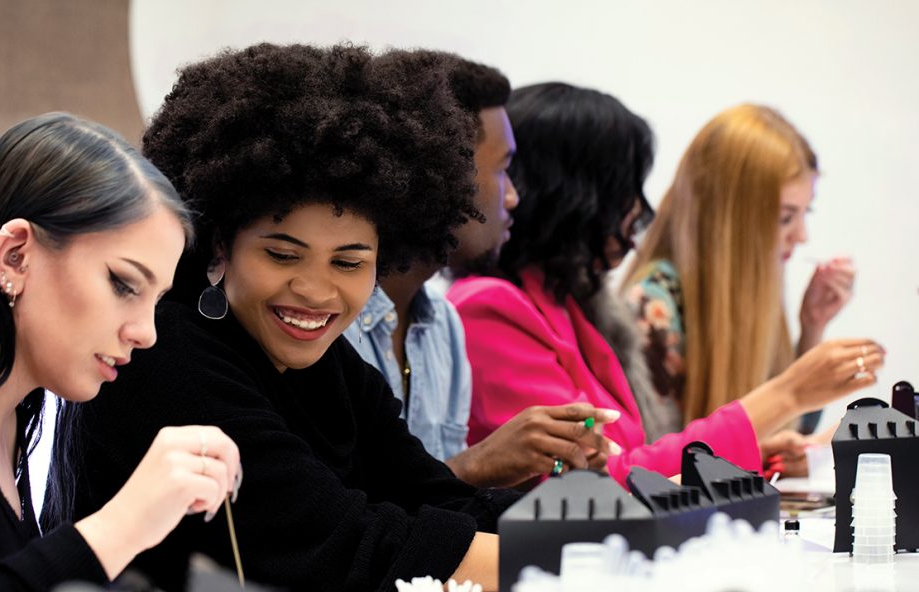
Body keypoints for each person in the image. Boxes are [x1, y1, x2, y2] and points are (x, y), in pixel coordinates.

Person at [64, 44, 524, 592]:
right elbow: (336, 546)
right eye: (283, 256)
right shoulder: (163, 354)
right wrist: (548, 560)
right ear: (219, 241)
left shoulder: (325, 364)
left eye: (349, 263)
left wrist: (598, 530)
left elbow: (433, 494)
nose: (314, 291)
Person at [447, 83, 884, 485]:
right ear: (573, 196)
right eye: (624, 190)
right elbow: (595, 485)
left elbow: (635, 456)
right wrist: (787, 395)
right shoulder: (495, 309)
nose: (640, 211)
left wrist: (761, 435)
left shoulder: (569, 308)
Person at [0, 113, 240, 592]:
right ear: (16, 255)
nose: (146, 333)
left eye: (155, 300)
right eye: (123, 284)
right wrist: (126, 523)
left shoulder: (9, 416)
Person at [345, 54, 619, 488]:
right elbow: (343, 527)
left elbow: (441, 512)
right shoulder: (329, 323)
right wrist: (478, 466)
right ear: (441, 174)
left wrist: (531, 472)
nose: (512, 198)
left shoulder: (442, 325)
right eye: (503, 169)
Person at [621, 103, 858, 475]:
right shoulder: (652, 308)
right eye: (784, 217)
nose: (801, 236)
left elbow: (789, 428)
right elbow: (653, 472)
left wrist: (812, 325)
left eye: (803, 213)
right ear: (730, 217)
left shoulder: (752, 288)